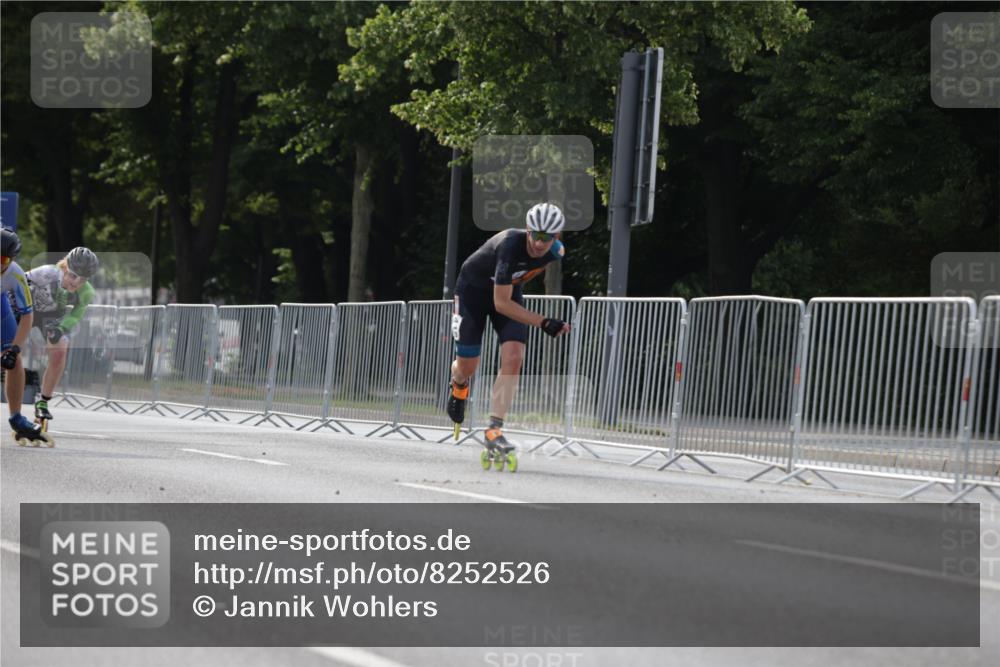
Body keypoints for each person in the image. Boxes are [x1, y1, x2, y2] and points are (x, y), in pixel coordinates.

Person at [447, 202, 571, 460]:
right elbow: (500, 304)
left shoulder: (556, 252)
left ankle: (494, 430)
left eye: (546, 238)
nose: (539, 243)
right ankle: (458, 383)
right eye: (535, 234)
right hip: (472, 293)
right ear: (527, 230)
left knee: (514, 359)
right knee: (468, 366)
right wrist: (544, 322)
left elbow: (519, 282)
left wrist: (516, 287)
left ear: (556, 237)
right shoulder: (510, 246)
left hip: (506, 290)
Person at [25, 246, 99, 423]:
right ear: (65, 267)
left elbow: (76, 314)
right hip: (27, 308)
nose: (76, 283)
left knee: (60, 351)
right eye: (73, 276)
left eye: (83, 279)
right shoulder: (47, 273)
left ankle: (43, 402)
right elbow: (17, 281)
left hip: (51, 318)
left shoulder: (87, 292)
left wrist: (62, 329)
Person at [1, 227, 46, 442]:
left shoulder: (15, 274)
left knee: (14, 362)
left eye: (2, 259)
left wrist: (14, 348)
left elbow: (27, 316)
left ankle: (16, 418)